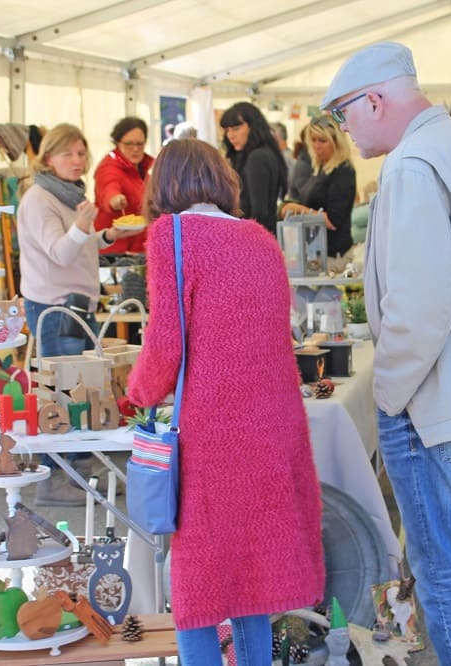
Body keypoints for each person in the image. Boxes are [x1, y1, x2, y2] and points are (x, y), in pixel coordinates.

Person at [320, 42, 451, 665]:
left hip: (434, 402)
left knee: (446, 573)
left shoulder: (413, 165)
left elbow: (421, 310)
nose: (345, 128)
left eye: (345, 114)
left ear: (376, 99)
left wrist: (388, 395)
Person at [127, 139, 324, 664]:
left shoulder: (172, 235)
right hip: (273, 425)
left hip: (214, 430)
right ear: (221, 179)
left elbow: (166, 344)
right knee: (250, 579)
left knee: (197, 588)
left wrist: (137, 392)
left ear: (165, 184)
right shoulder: (259, 238)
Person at [17, 123, 141, 506]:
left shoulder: (69, 196)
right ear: (49, 158)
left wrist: (106, 237)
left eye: (81, 153)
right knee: (61, 395)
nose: (77, 160)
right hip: (55, 307)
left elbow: (78, 245)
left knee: (83, 390)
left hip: (76, 303)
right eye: (68, 153)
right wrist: (86, 224)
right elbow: (59, 252)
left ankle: (79, 473)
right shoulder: (39, 199)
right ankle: (54, 480)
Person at [280, 115, 357, 262]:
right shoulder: (320, 169)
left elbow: (333, 221)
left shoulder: (343, 171)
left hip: (333, 255)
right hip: (317, 251)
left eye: (322, 140)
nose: (317, 146)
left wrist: (297, 208)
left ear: (336, 142)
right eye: (313, 140)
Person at [219, 102, 288, 235]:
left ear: (253, 126)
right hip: (262, 235)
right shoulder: (266, 153)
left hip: (255, 237)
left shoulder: (257, 157)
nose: (231, 135)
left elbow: (258, 211)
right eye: (227, 130)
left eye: (236, 128)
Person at [93, 116, 155, 254]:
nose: (135, 149)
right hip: (115, 251)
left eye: (140, 144)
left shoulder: (150, 166)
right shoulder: (109, 167)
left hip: (140, 248)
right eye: (129, 144)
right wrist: (114, 199)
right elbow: (109, 185)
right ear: (117, 143)